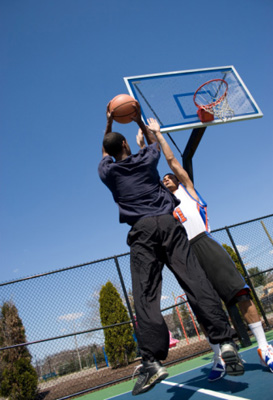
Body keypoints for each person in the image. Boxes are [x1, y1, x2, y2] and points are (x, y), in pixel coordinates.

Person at [98, 105, 244, 396]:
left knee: (146, 295)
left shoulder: (108, 172)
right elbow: (155, 144)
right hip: (168, 224)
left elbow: (105, 153)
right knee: (195, 278)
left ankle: (152, 361)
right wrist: (138, 119)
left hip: (141, 231)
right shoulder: (146, 159)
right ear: (126, 143)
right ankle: (225, 340)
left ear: (109, 151)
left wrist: (108, 123)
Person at [141, 118, 273, 381]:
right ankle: (218, 355)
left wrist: (157, 134)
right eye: (163, 179)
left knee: (239, 293)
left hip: (204, 242)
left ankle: (264, 346)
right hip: (183, 254)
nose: (167, 179)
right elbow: (149, 171)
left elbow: (172, 162)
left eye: (170, 178)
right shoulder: (163, 205)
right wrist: (145, 145)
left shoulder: (189, 191)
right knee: (202, 307)